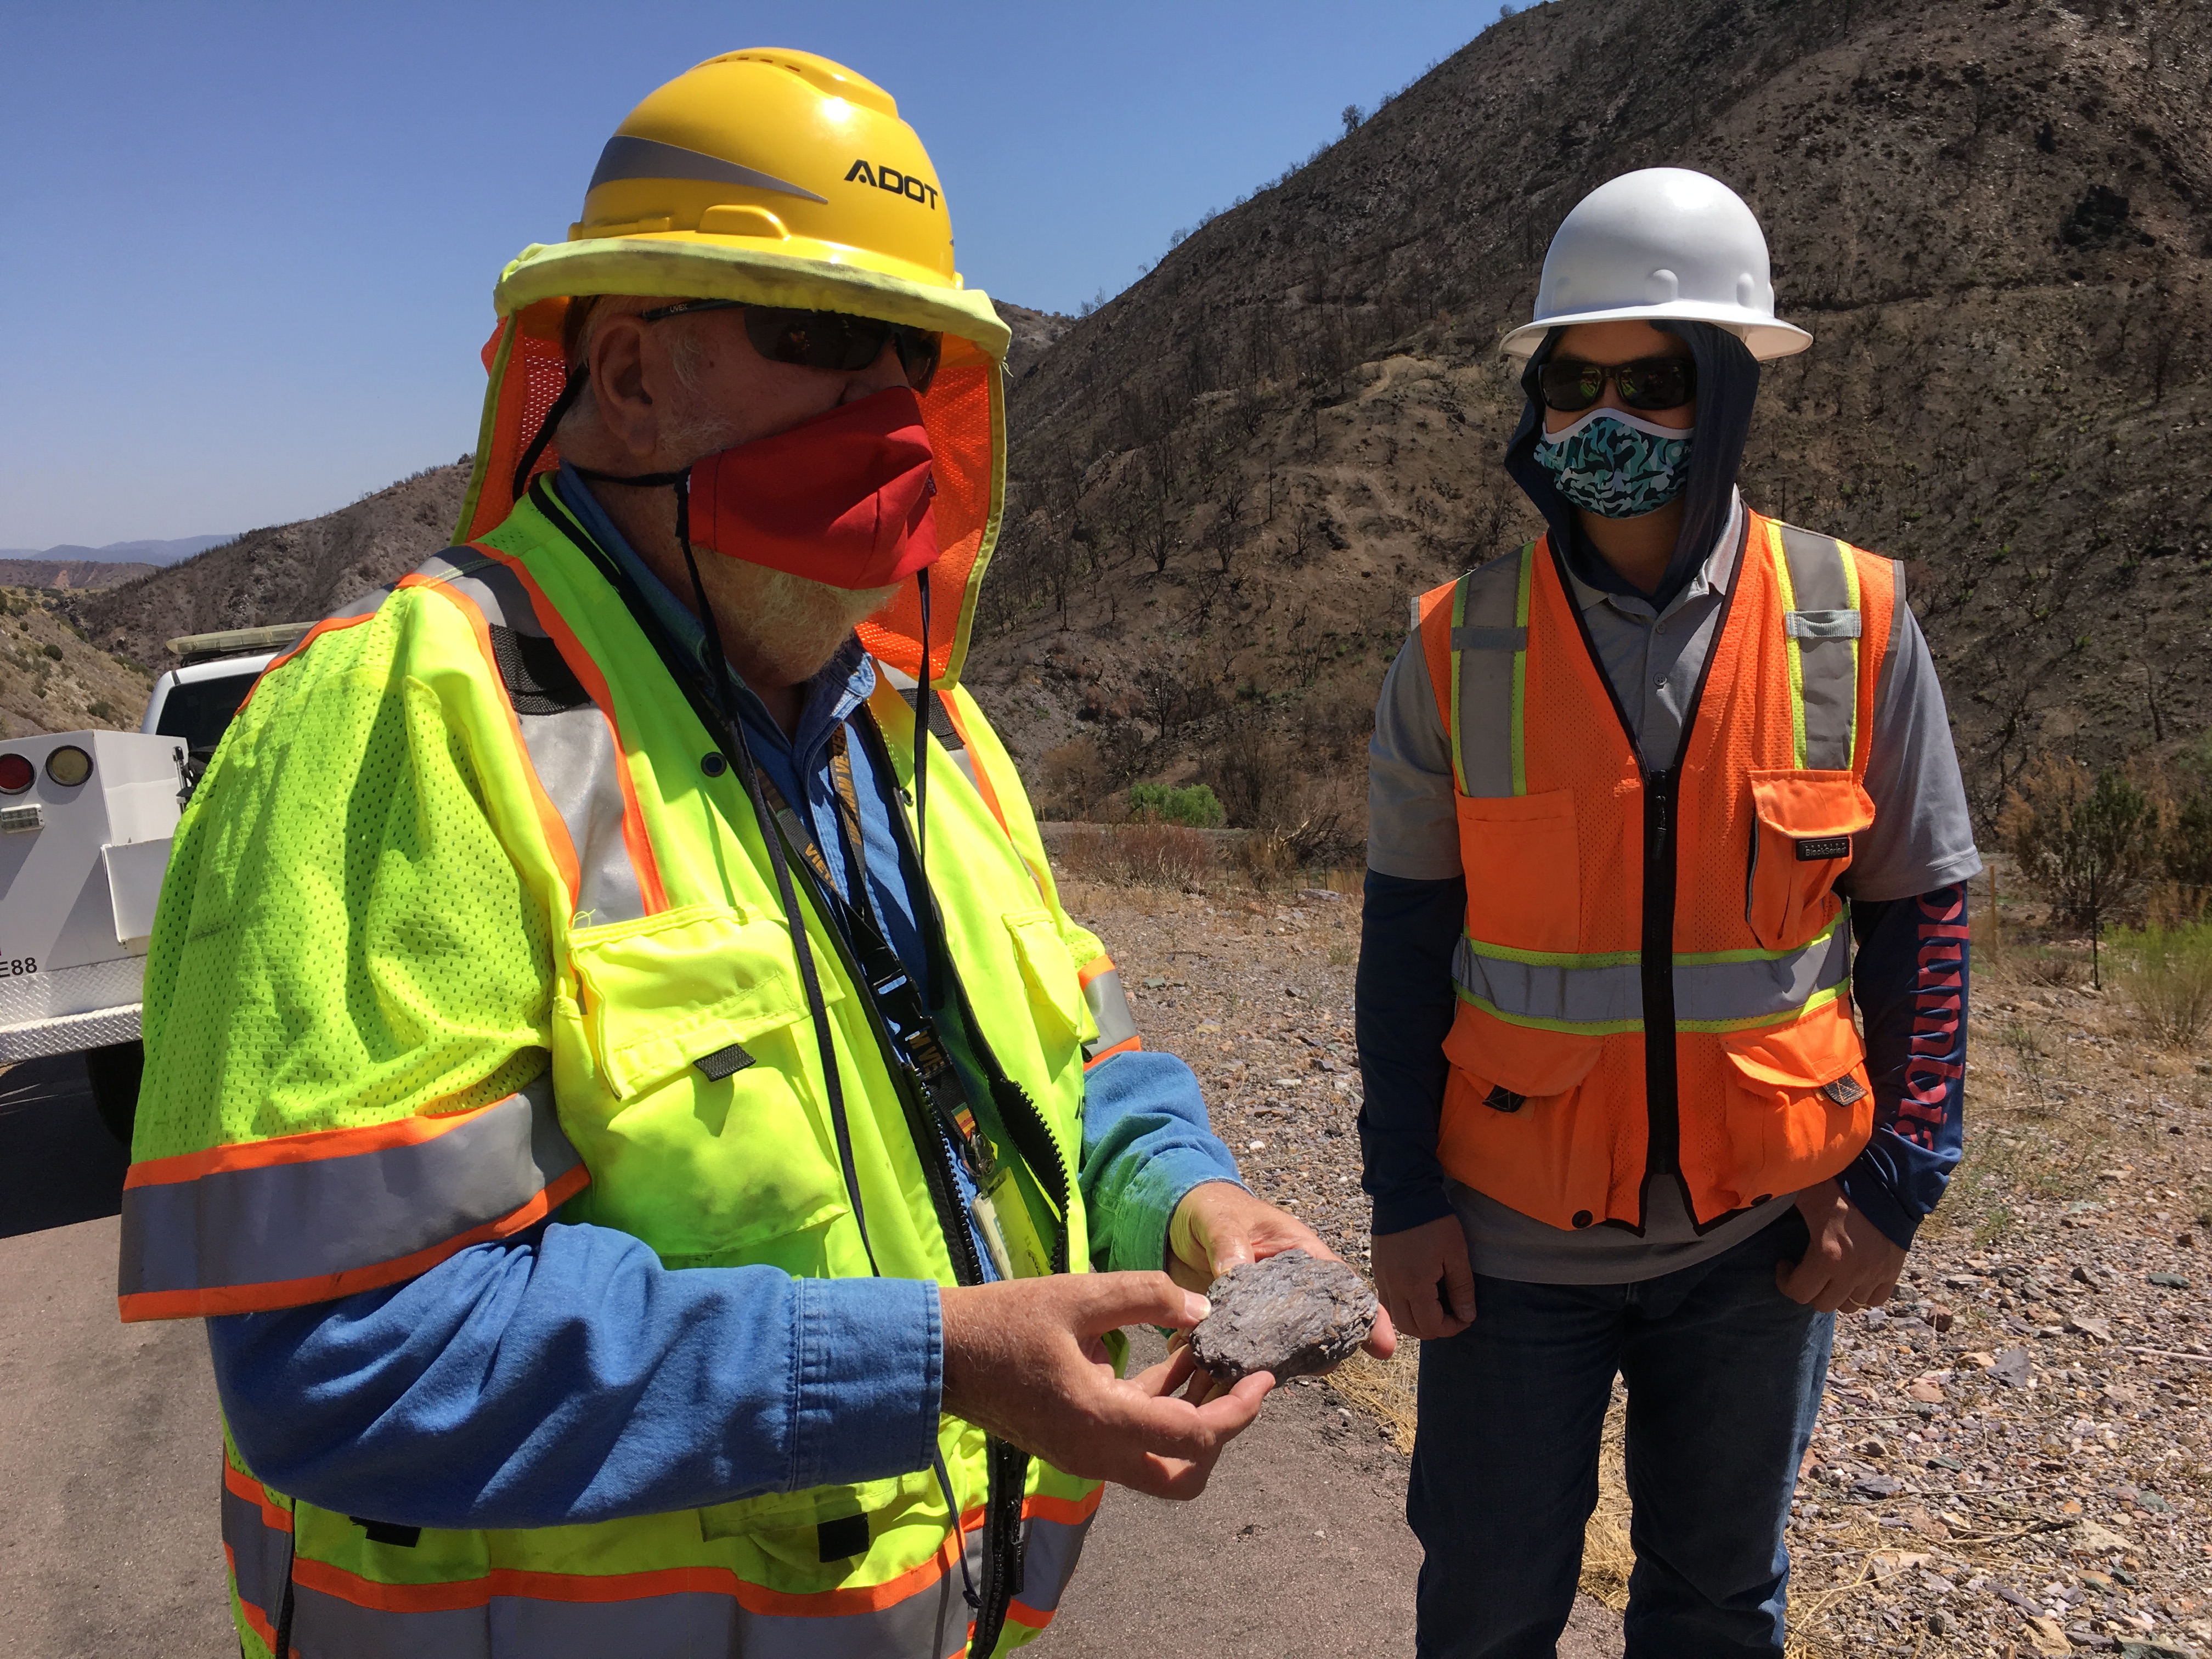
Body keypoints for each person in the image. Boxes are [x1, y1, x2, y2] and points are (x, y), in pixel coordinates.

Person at [116, 49, 1388, 1658]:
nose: (889, 418)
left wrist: (1196, 1202)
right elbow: (344, 1358)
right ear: (631, 372)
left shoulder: (929, 737)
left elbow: (1082, 1071)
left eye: (909, 363)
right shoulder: (405, 724)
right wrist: (933, 1364)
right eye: (825, 344)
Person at [1357, 167, 1976, 1657]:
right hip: (1507, 1249)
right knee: (1490, 1600)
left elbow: (1921, 922)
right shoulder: (1457, 644)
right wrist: (1404, 1201)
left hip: (1763, 1243)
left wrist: (1899, 1178)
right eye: (1576, 381)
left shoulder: (1856, 619)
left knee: (1717, 1604)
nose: (1607, 419)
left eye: (1652, 380)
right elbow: (1405, 950)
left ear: (1726, 392)